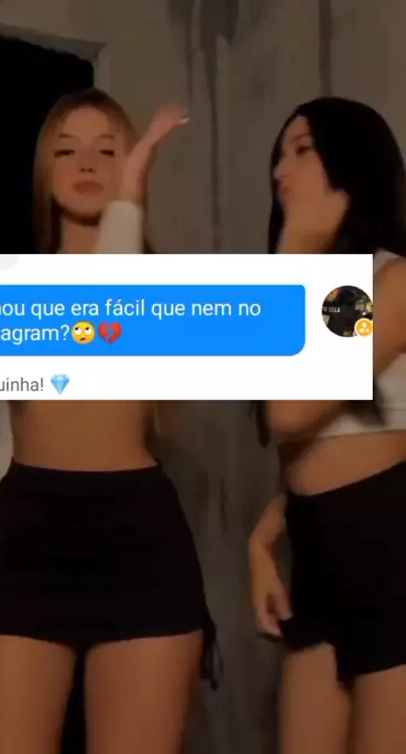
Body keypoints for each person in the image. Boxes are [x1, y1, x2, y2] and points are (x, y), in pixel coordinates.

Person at [0, 89, 218, 754]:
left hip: (139, 541)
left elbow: (104, 316)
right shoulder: (9, 291)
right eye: (67, 150)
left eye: (109, 150)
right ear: (44, 173)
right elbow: (7, 447)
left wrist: (133, 192)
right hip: (25, 539)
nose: (87, 162)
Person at [248, 97, 406, 754]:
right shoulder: (310, 288)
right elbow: (308, 439)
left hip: (390, 554)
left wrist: (296, 253)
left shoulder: (393, 278)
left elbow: (291, 407)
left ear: (353, 163)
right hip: (316, 555)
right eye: (278, 155)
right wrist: (263, 538)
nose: (280, 169)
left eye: (302, 149)